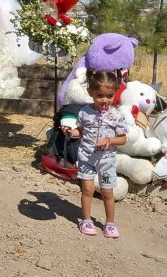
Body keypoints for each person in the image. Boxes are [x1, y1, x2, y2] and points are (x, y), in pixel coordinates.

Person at [62, 69, 127, 239]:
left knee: (107, 192)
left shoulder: (116, 116)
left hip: (106, 160)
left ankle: (110, 223)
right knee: (88, 189)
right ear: (90, 92)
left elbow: (123, 139)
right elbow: (80, 131)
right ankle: (86, 219)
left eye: (109, 96)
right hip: (87, 158)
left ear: (115, 94)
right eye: (99, 96)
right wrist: (71, 132)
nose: (104, 100)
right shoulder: (84, 112)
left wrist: (109, 141)